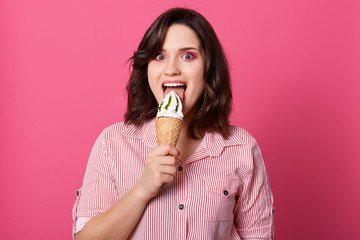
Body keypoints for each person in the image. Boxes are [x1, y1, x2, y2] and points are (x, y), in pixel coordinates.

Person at [72, 7, 274, 240]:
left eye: (188, 56)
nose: (171, 69)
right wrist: (142, 190)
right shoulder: (113, 144)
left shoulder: (241, 149)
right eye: (159, 56)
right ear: (147, 67)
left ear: (209, 69)